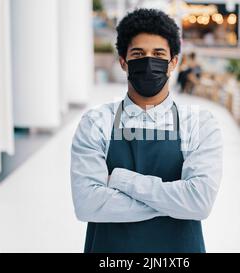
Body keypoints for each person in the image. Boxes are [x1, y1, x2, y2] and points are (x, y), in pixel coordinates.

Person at [70, 8, 222, 253]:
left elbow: (199, 203)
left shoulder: (199, 123)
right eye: (138, 54)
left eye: (158, 54)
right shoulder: (96, 122)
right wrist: (175, 202)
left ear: (173, 62)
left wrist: (123, 180)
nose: (149, 62)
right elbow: (88, 204)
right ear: (123, 62)